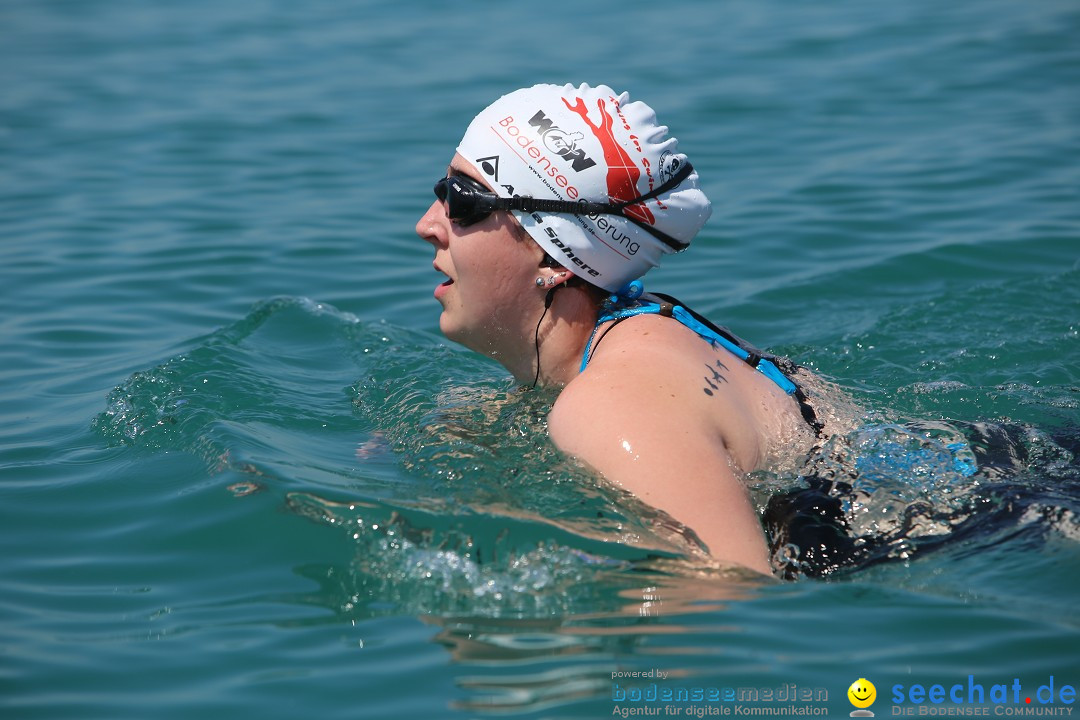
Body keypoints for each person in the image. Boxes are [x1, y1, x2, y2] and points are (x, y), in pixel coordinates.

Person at [414, 83, 824, 575]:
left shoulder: (613, 403)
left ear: (554, 254)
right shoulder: (645, 333)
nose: (428, 223)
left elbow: (730, 588)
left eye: (462, 199)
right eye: (441, 191)